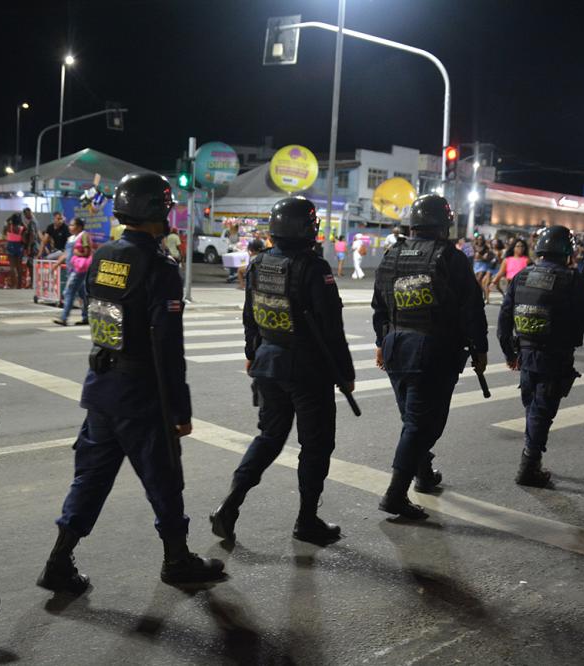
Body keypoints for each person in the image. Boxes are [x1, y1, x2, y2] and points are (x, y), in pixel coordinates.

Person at [37, 172, 225, 595]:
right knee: (164, 478)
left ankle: (58, 560)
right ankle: (177, 559)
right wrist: (180, 409)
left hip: (101, 388)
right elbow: (168, 348)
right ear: (158, 212)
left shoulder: (104, 255)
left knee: (90, 479)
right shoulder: (160, 268)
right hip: (141, 396)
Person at [210, 197, 354, 546]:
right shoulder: (314, 268)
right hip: (307, 371)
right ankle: (307, 520)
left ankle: (230, 503)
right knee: (316, 446)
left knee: (269, 438)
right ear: (306, 229)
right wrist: (345, 372)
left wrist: (251, 354)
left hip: (268, 364)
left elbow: (250, 317)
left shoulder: (259, 264)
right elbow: (332, 328)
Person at [371, 194, 487, 520]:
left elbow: (379, 305)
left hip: (396, 348)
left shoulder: (392, 255)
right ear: (444, 224)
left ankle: (422, 473)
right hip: (433, 353)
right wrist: (480, 348)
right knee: (424, 424)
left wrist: (382, 341)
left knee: (412, 420)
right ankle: (395, 494)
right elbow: (471, 308)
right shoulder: (451, 258)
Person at [497, 225, 584, 487]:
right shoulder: (571, 281)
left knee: (532, 407)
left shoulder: (522, 276)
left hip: (525, 354)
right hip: (554, 356)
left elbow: (504, 320)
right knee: (541, 411)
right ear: (566, 251)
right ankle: (528, 466)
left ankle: (531, 459)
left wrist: (509, 352)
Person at [52, 218, 92, 326]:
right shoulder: (70, 238)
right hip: (71, 269)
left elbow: (87, 252)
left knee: (69, 292)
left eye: (72, 225)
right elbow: (66, 253)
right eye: (70, 225)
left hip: (79, 269)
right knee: (82, 294)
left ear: (79, 227)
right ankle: (86, 316)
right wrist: (57, 264)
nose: (70, 227)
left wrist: (77, 253)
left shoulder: (83, 236)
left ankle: (64, 317)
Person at [3, 213, 28, 289]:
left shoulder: (9, 227)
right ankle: (19, 285)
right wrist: (21, 221)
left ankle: (13, 283)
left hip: (10, 246)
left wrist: (11, 217)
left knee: (12, 267)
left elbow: (5, 224)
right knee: (19, 266)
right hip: (19, 246)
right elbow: (26, 229)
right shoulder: (22, 229)